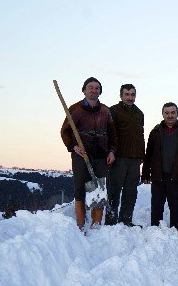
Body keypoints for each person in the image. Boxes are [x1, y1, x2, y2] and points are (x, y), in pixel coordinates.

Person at [60, 77, 116, 230]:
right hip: (81, 155)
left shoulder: (105, 111)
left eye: (97, 88)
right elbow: (65, 131)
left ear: (100, 91)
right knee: (80, 187)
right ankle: (80, 224)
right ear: (84, 90)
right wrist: (73, 147)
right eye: (90, 87)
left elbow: (112, 134)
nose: (94, 90)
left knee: (98, 188)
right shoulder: (75, 109)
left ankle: (96, 224)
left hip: (101, 155)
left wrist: (111, 151)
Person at [142, 102, 178, 234]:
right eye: (167, 113)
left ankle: (175, 232)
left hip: (176, 176)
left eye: (172, 112)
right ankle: (154, 231)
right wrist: (145, 173)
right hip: (158, 175)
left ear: (177, 113)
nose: (170, 115)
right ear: (163, 114)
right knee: (157, 206)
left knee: (175, 206)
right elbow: (148, 154)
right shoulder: (155, 132)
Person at [106, 84, 144, 227]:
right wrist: (110, 152)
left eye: (132, 94)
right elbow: (109, 133)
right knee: (114, 190)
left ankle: (126, 220)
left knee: (130, 192)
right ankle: (110, 222)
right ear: (121, 96)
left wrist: (142, 155)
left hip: (135, 159)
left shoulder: (139, 113)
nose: (130, 97)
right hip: (118, 157)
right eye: (127, 94)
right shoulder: (113, 111)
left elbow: (141, 135)